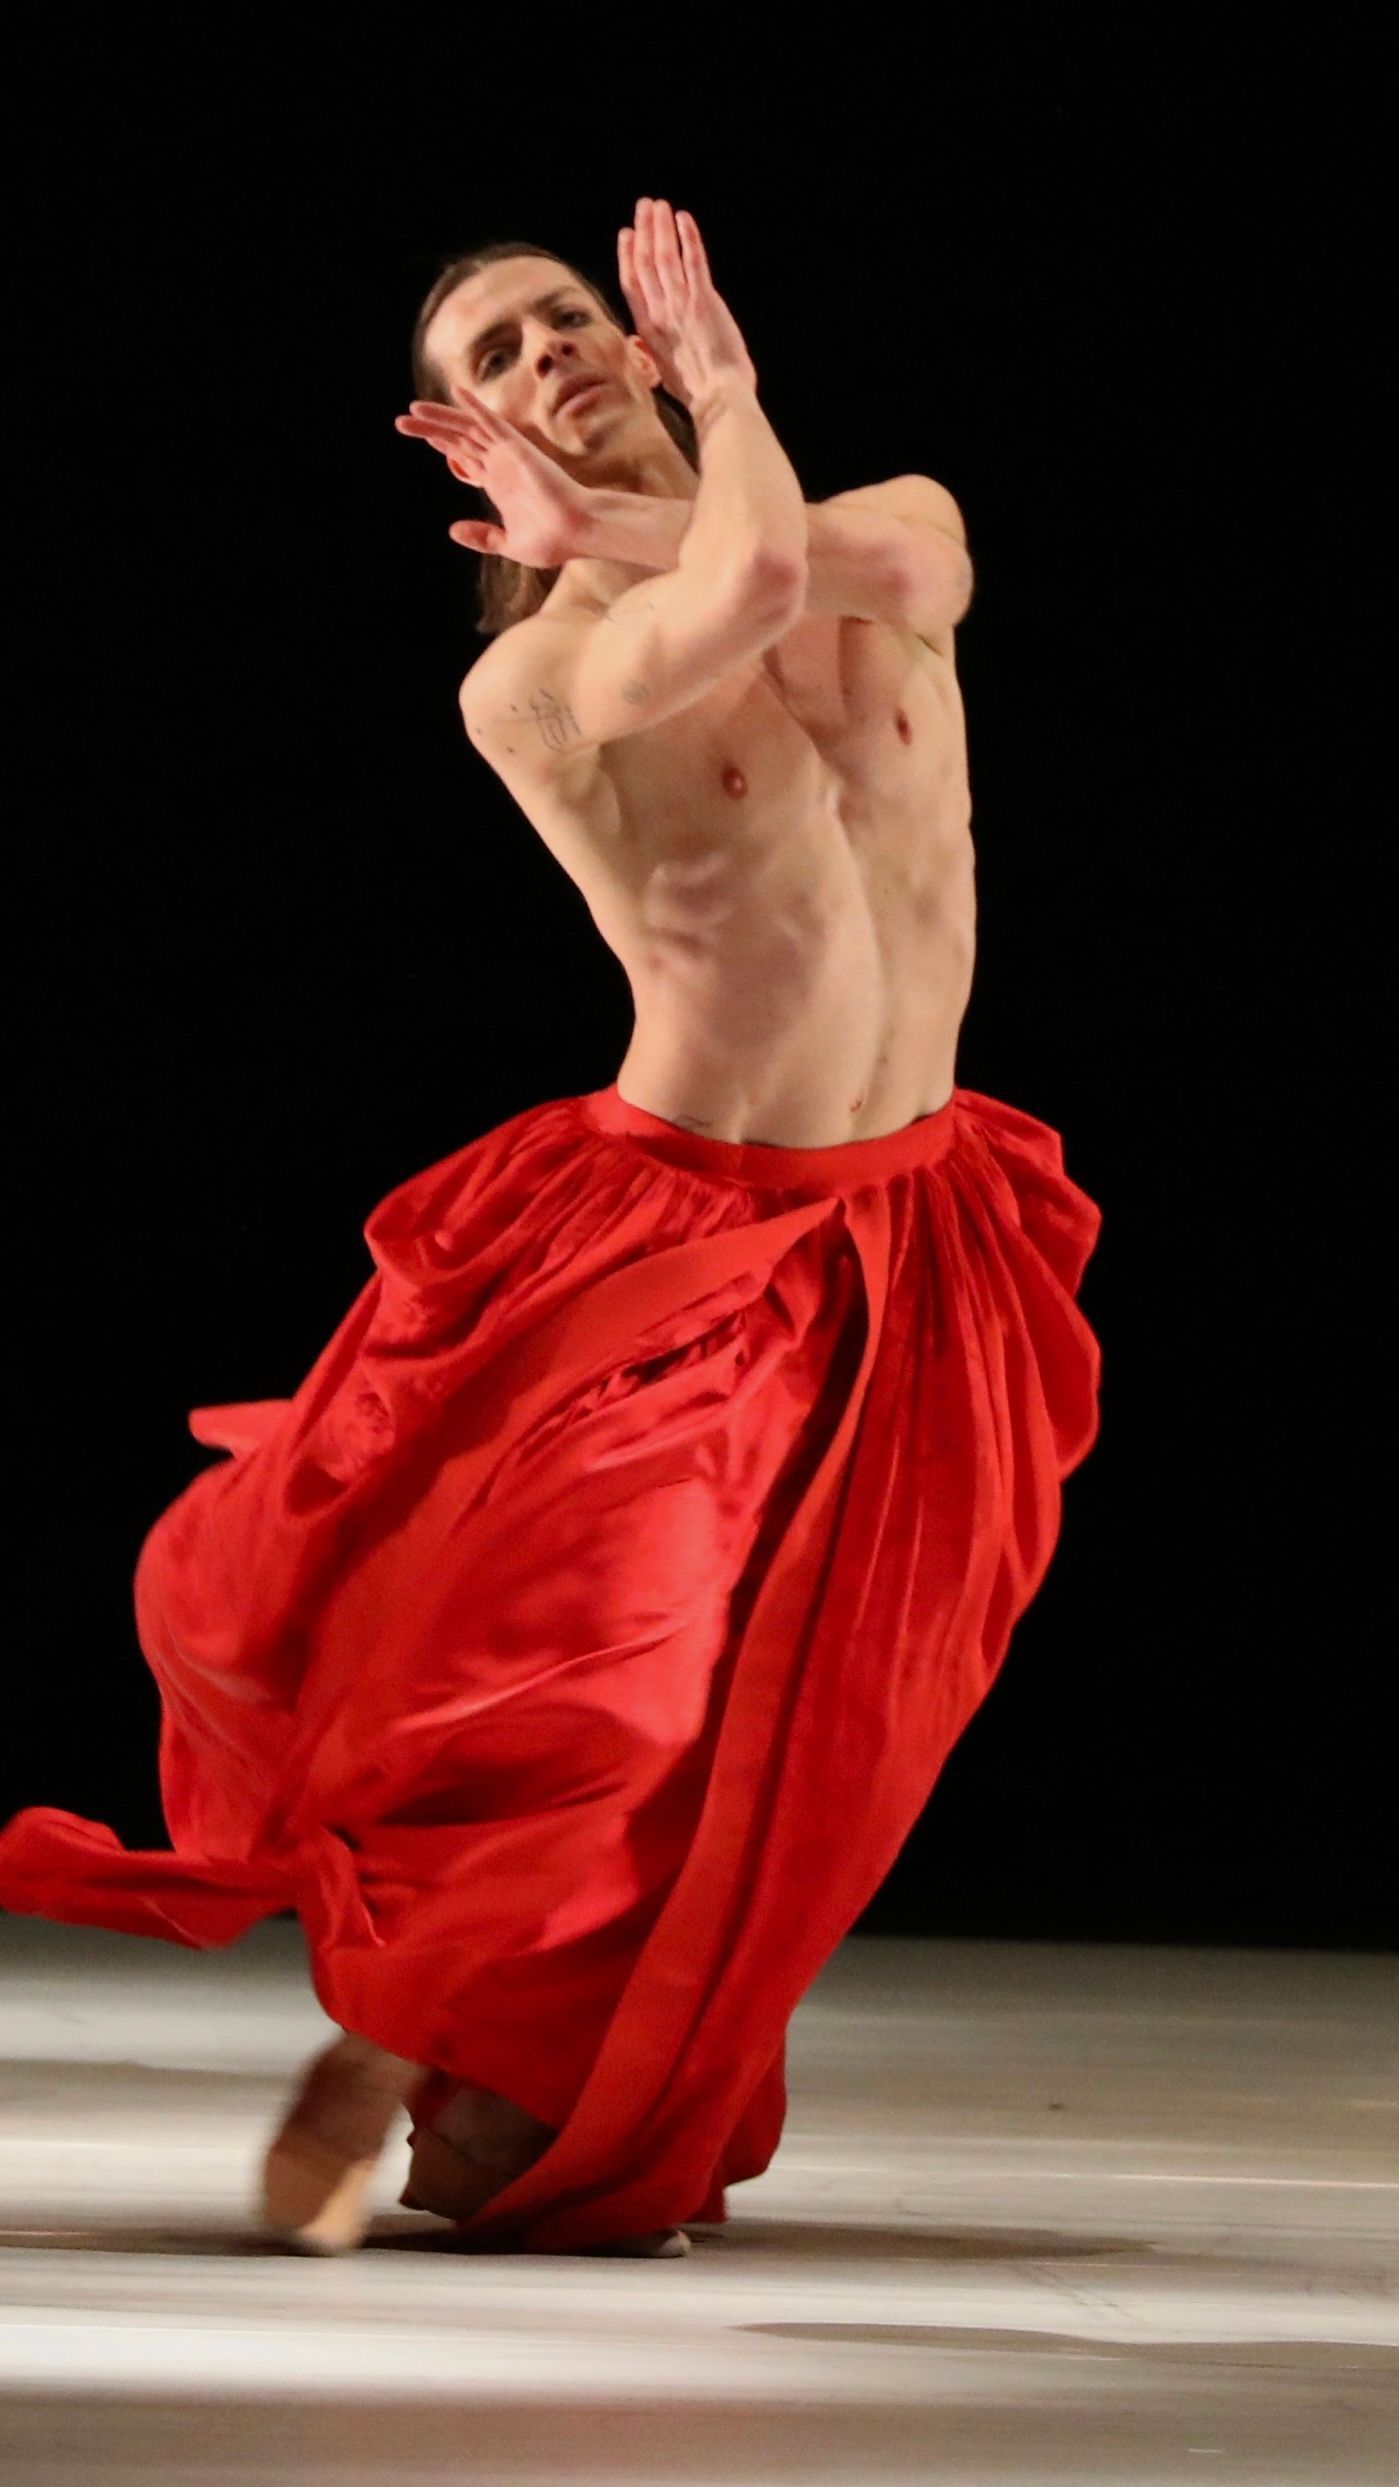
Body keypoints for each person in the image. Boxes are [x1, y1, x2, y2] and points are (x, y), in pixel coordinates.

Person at [0, 200, 1103, 2260]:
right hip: (674, 1236)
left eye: (567, 316)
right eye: (494, 356)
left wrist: (659, 474)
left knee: (829, 1733)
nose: (550, 355)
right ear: (461, 438)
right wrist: (714, 411)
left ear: (639, 336)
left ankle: (522, 2062)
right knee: (607, 1688)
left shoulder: (898, 523)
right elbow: (735, 582)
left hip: (917, 1228)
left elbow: (845, 565)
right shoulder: (532, 678)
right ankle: (385, 2032)